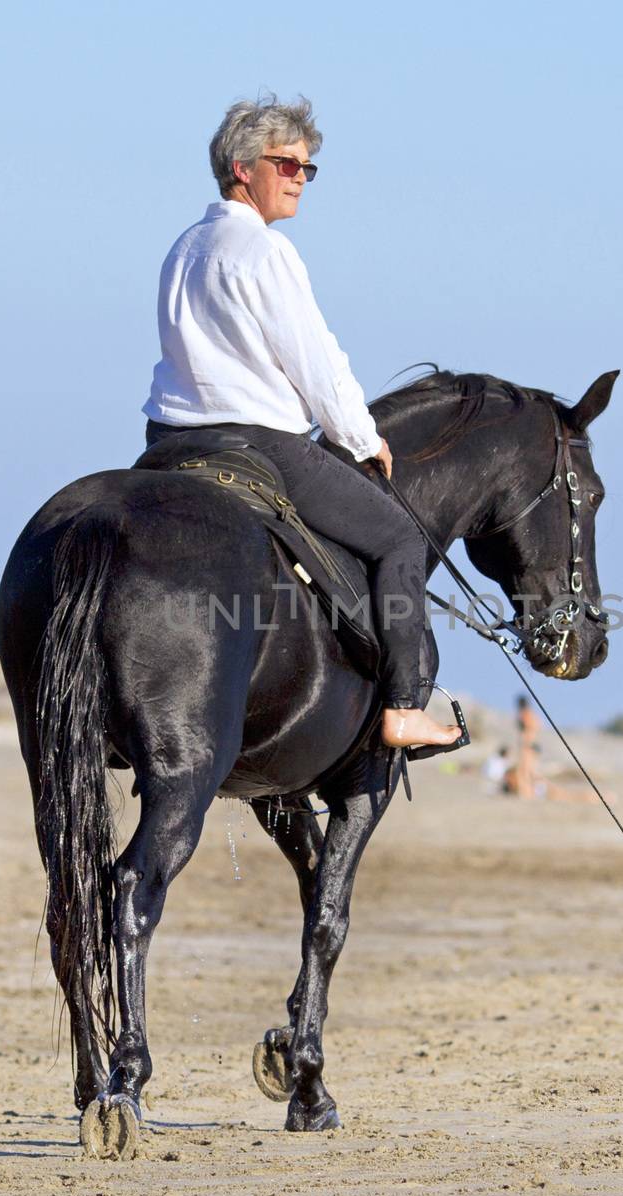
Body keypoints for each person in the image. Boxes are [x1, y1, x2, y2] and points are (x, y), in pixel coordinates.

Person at [141, 95, 460, 751]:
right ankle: (402, 707)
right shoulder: (265, 252)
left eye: (307, 168)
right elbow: (315, 360)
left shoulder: (183, 247)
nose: (298, 178)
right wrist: (362, 438)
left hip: (167, 443)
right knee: (399, 537)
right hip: (258, 444)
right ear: (240, 167)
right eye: (285, 163)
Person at [514, 696, 540, 800]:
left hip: (527, 745)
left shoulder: (525, 714)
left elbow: (527, 727)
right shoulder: (532, 715)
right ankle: (530, 793)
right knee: (531, 770)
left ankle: (526, 793)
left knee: (524, 771)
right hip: (531, 744)